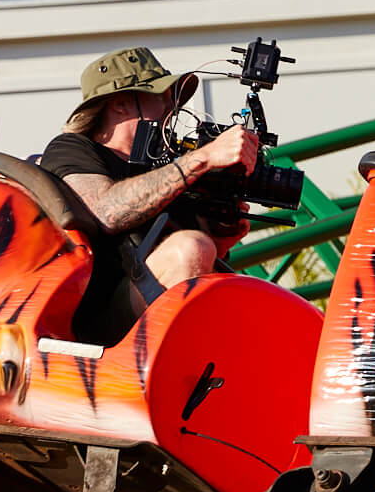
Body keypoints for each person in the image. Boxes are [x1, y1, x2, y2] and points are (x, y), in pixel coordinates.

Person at [39, 47, 258, 307]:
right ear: (120, 104)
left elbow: (195, 265)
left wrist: (222, 238)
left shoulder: (162, 168)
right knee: (189, 247)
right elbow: (106, 212)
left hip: (156, 301)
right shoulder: (71, 148)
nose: (172, 107)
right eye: (162, 96)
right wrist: (203, 158)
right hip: (99, 316)